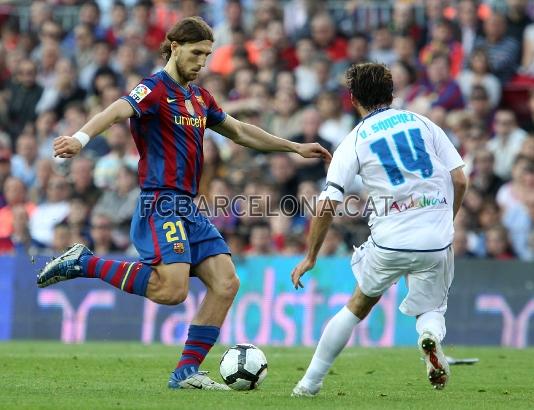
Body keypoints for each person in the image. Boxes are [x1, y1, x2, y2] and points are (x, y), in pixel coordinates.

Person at [36, 17, 331, 391]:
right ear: (174, 46)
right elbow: (115, 110)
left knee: (226, 283)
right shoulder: (154, 89)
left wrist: (293, 146)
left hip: (188, 207)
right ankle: (84, 262)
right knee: (172, 291)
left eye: (207, 55)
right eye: (196, 53)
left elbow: (239, 131)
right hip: (160, 202)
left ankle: (185, 373)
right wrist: (80, 138)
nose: (202, 62)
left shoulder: (199, 97)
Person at [290, 63, 467, 396]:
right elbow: (460, 177)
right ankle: (428, 336)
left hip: (389, 241)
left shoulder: (353, 141)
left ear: (352, 98)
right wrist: (448, 217)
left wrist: (311, 256)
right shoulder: (423, 123)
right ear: (392, 93)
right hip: (435, 239)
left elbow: (328, 204)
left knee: (357, 305)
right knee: (432, 308)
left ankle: (308, 384)